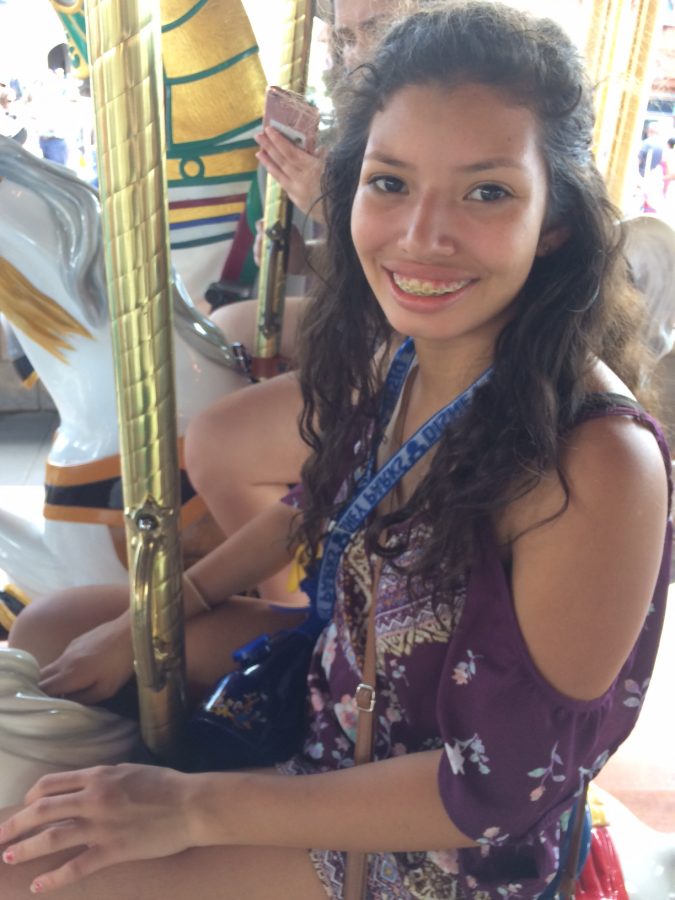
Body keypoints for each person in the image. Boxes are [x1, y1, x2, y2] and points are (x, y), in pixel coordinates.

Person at [0, 4, 671, 898]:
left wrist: (190, 810)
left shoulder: (595, 464)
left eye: (485, 192)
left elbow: (497, 785)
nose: (420, 235)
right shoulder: (406, 360)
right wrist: (156, 614)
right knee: (59, 628)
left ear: (553, 221)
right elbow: (319, 499)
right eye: (390, 184)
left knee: (36, 875)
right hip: (348, 692)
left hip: (445, 837)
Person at [187, 0, 418, 602]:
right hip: (375, 312)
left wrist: (328, 205)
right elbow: (351, 267)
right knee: (226, 325)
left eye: (374, 32)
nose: (354, 54)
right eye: (343, 38)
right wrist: (290, 242)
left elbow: (411, 262)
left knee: (216, 444)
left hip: (414, 335)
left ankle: (293, 603)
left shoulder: (428, 117)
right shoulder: (366, 122)